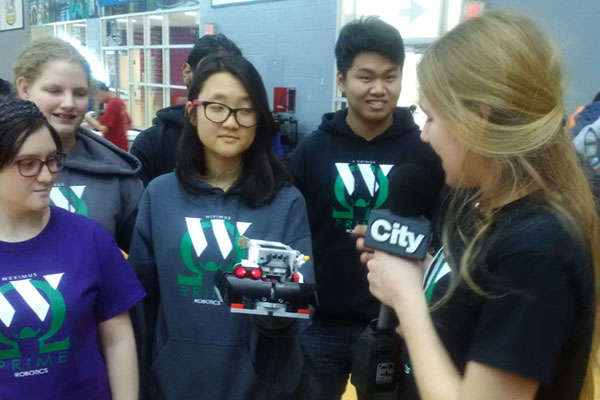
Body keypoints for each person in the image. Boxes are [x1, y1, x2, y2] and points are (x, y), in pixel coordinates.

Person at [358, 10, 600, 400]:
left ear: (478, 121)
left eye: (431, 117)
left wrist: (408, 299)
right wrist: (421, 280)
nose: (423, 135)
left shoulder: (538, 248)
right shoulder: (478, 209)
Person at [128, 54, 314, 400]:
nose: (231, 121)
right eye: (217, 106)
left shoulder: (286, 202)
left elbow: (298, 315)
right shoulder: (160, 195)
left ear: (259, 120)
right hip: (171, 384)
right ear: (192, 111)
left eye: (246, 110)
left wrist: (276, 312)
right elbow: (143, 303)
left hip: (258, 387)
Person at [288, 16, 444, 400]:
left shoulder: (426, 150)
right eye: (365, 77)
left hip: (396, 324)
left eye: (390, 77)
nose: (379, 89)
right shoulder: (312, 150)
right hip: (321, 324)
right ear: (341, 80)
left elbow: (441, 233)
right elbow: (295, 230)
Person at [0, 99, 145, 399]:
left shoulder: (89, 238)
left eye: (53, 159)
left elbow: (118, 339)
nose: (47, 175)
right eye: (28, 164)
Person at [14, 37, 144, 252]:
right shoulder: (5, 167)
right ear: (25, 88)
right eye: (54, 91)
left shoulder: (117, 173)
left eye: (79, 93)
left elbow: (141, 262)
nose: (68, 104)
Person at [130, 33, 242, 186]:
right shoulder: (152, 144)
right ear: (186, 72)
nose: (221, 83)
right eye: (209, 73)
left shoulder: (244, 138)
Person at [84, 81, 131, 151]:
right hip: (122, 147)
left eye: (95, 97)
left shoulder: (113, 104)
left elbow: (103, 129)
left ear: (100, 92)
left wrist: (89, 119)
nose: (96, 100)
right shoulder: (119, 102)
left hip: (114, 149)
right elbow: (129, 125)